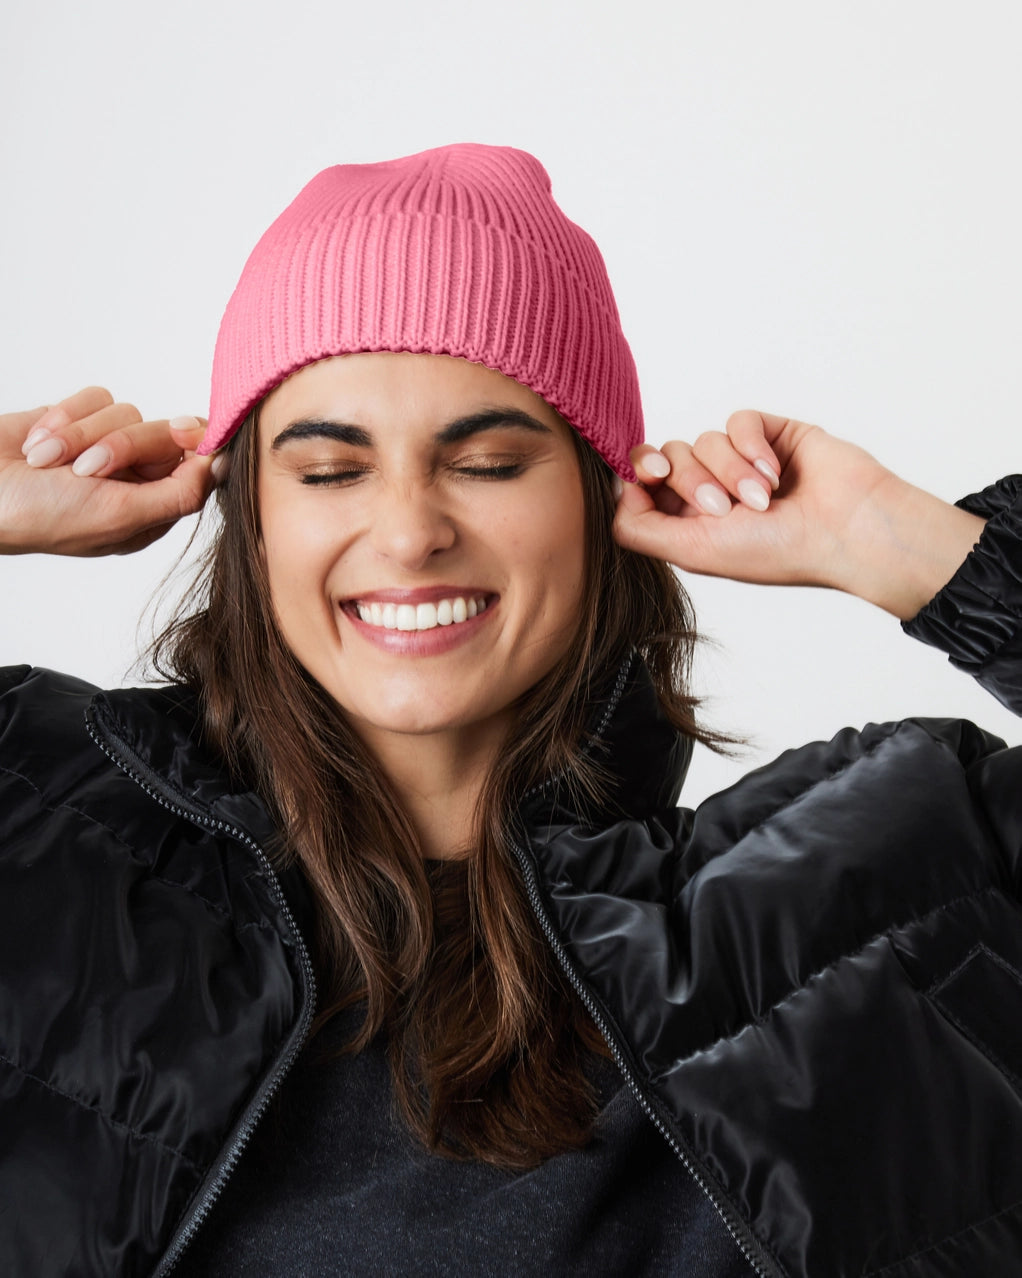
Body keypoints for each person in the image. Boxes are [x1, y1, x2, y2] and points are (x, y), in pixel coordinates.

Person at [1, 143, 1020, 1278]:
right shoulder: (36, 837)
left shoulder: (896, 884)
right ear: (248, 518)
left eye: (485, 462)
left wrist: (903, 544)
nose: (406, 532)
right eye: (329, 471)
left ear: (600, 499)